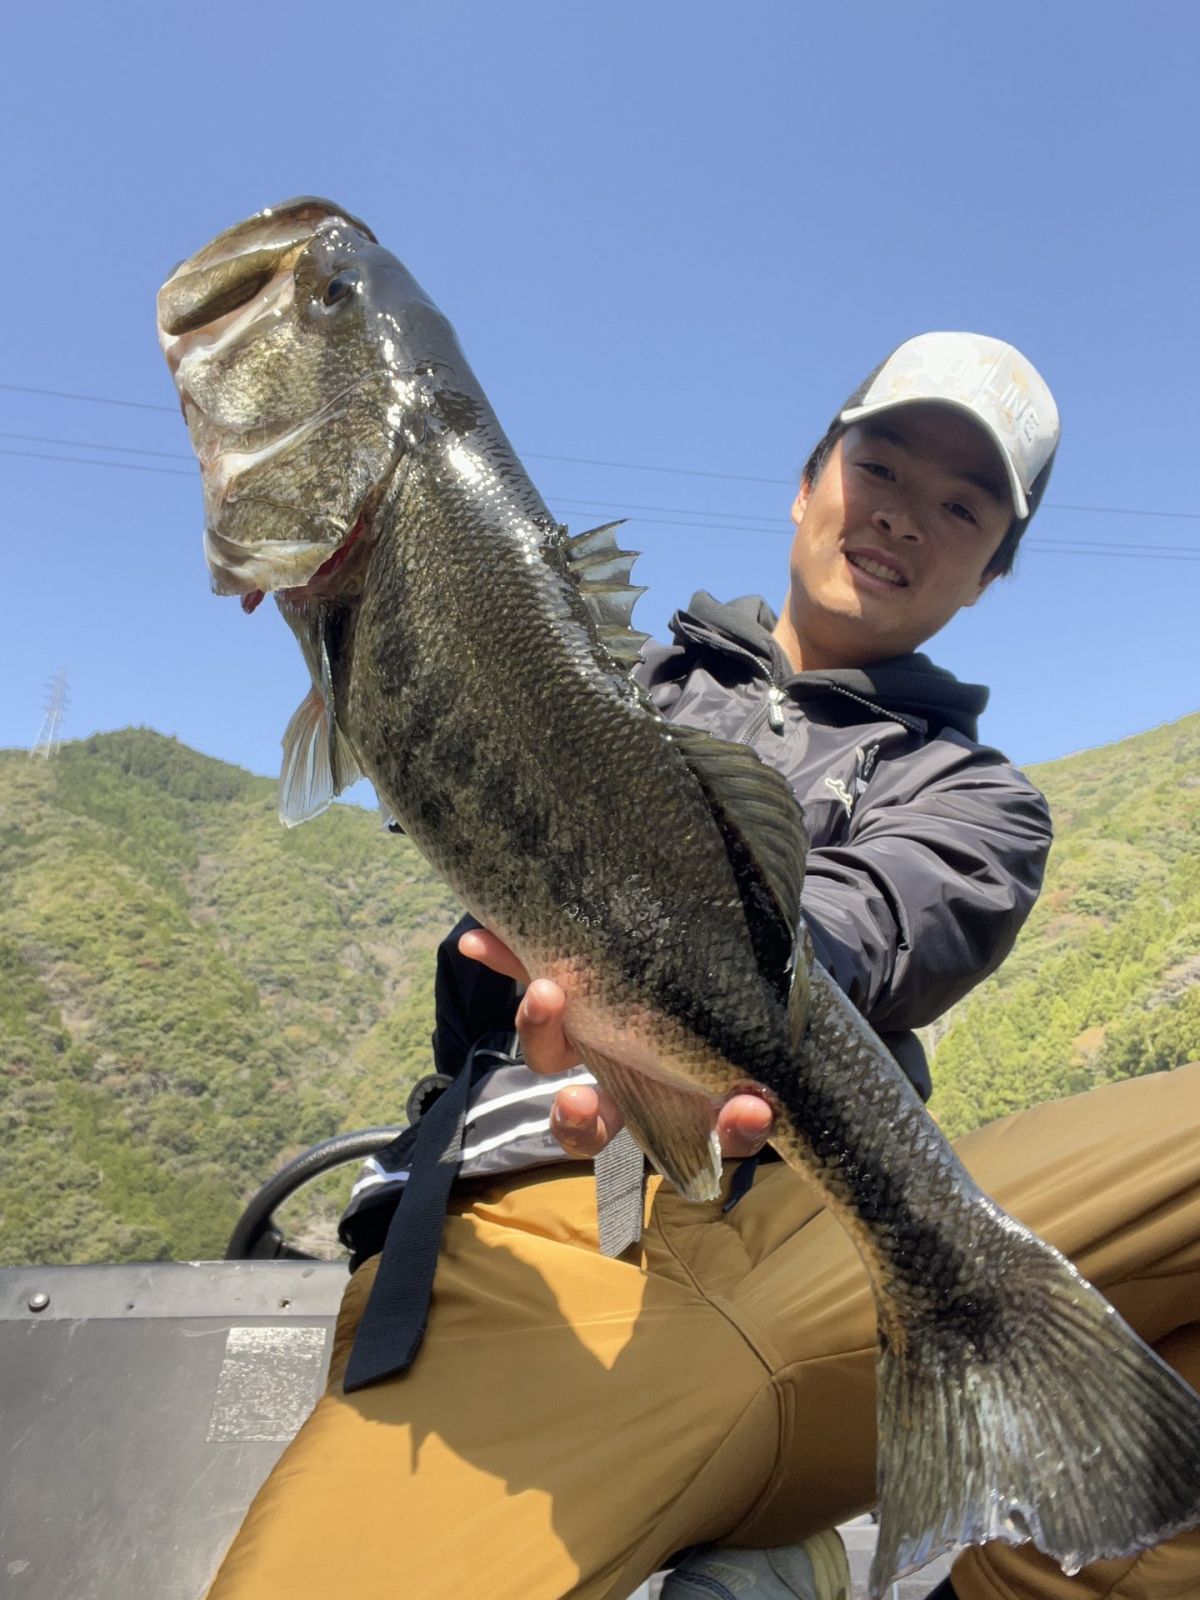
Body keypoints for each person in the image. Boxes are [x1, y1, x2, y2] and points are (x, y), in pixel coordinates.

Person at [205, 333, 1200, 1600]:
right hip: (534, 1234)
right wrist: (335, 590)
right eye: (880, 465)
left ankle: (967, 1557)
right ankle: (757, 1541)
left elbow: (860, 934)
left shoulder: (984, 801)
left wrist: (675, 1008)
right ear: (807, 480)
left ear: (994, 569)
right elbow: (436, 727)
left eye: (962, 507)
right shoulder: (593, 670)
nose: (903, 515)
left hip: (817, 1252)